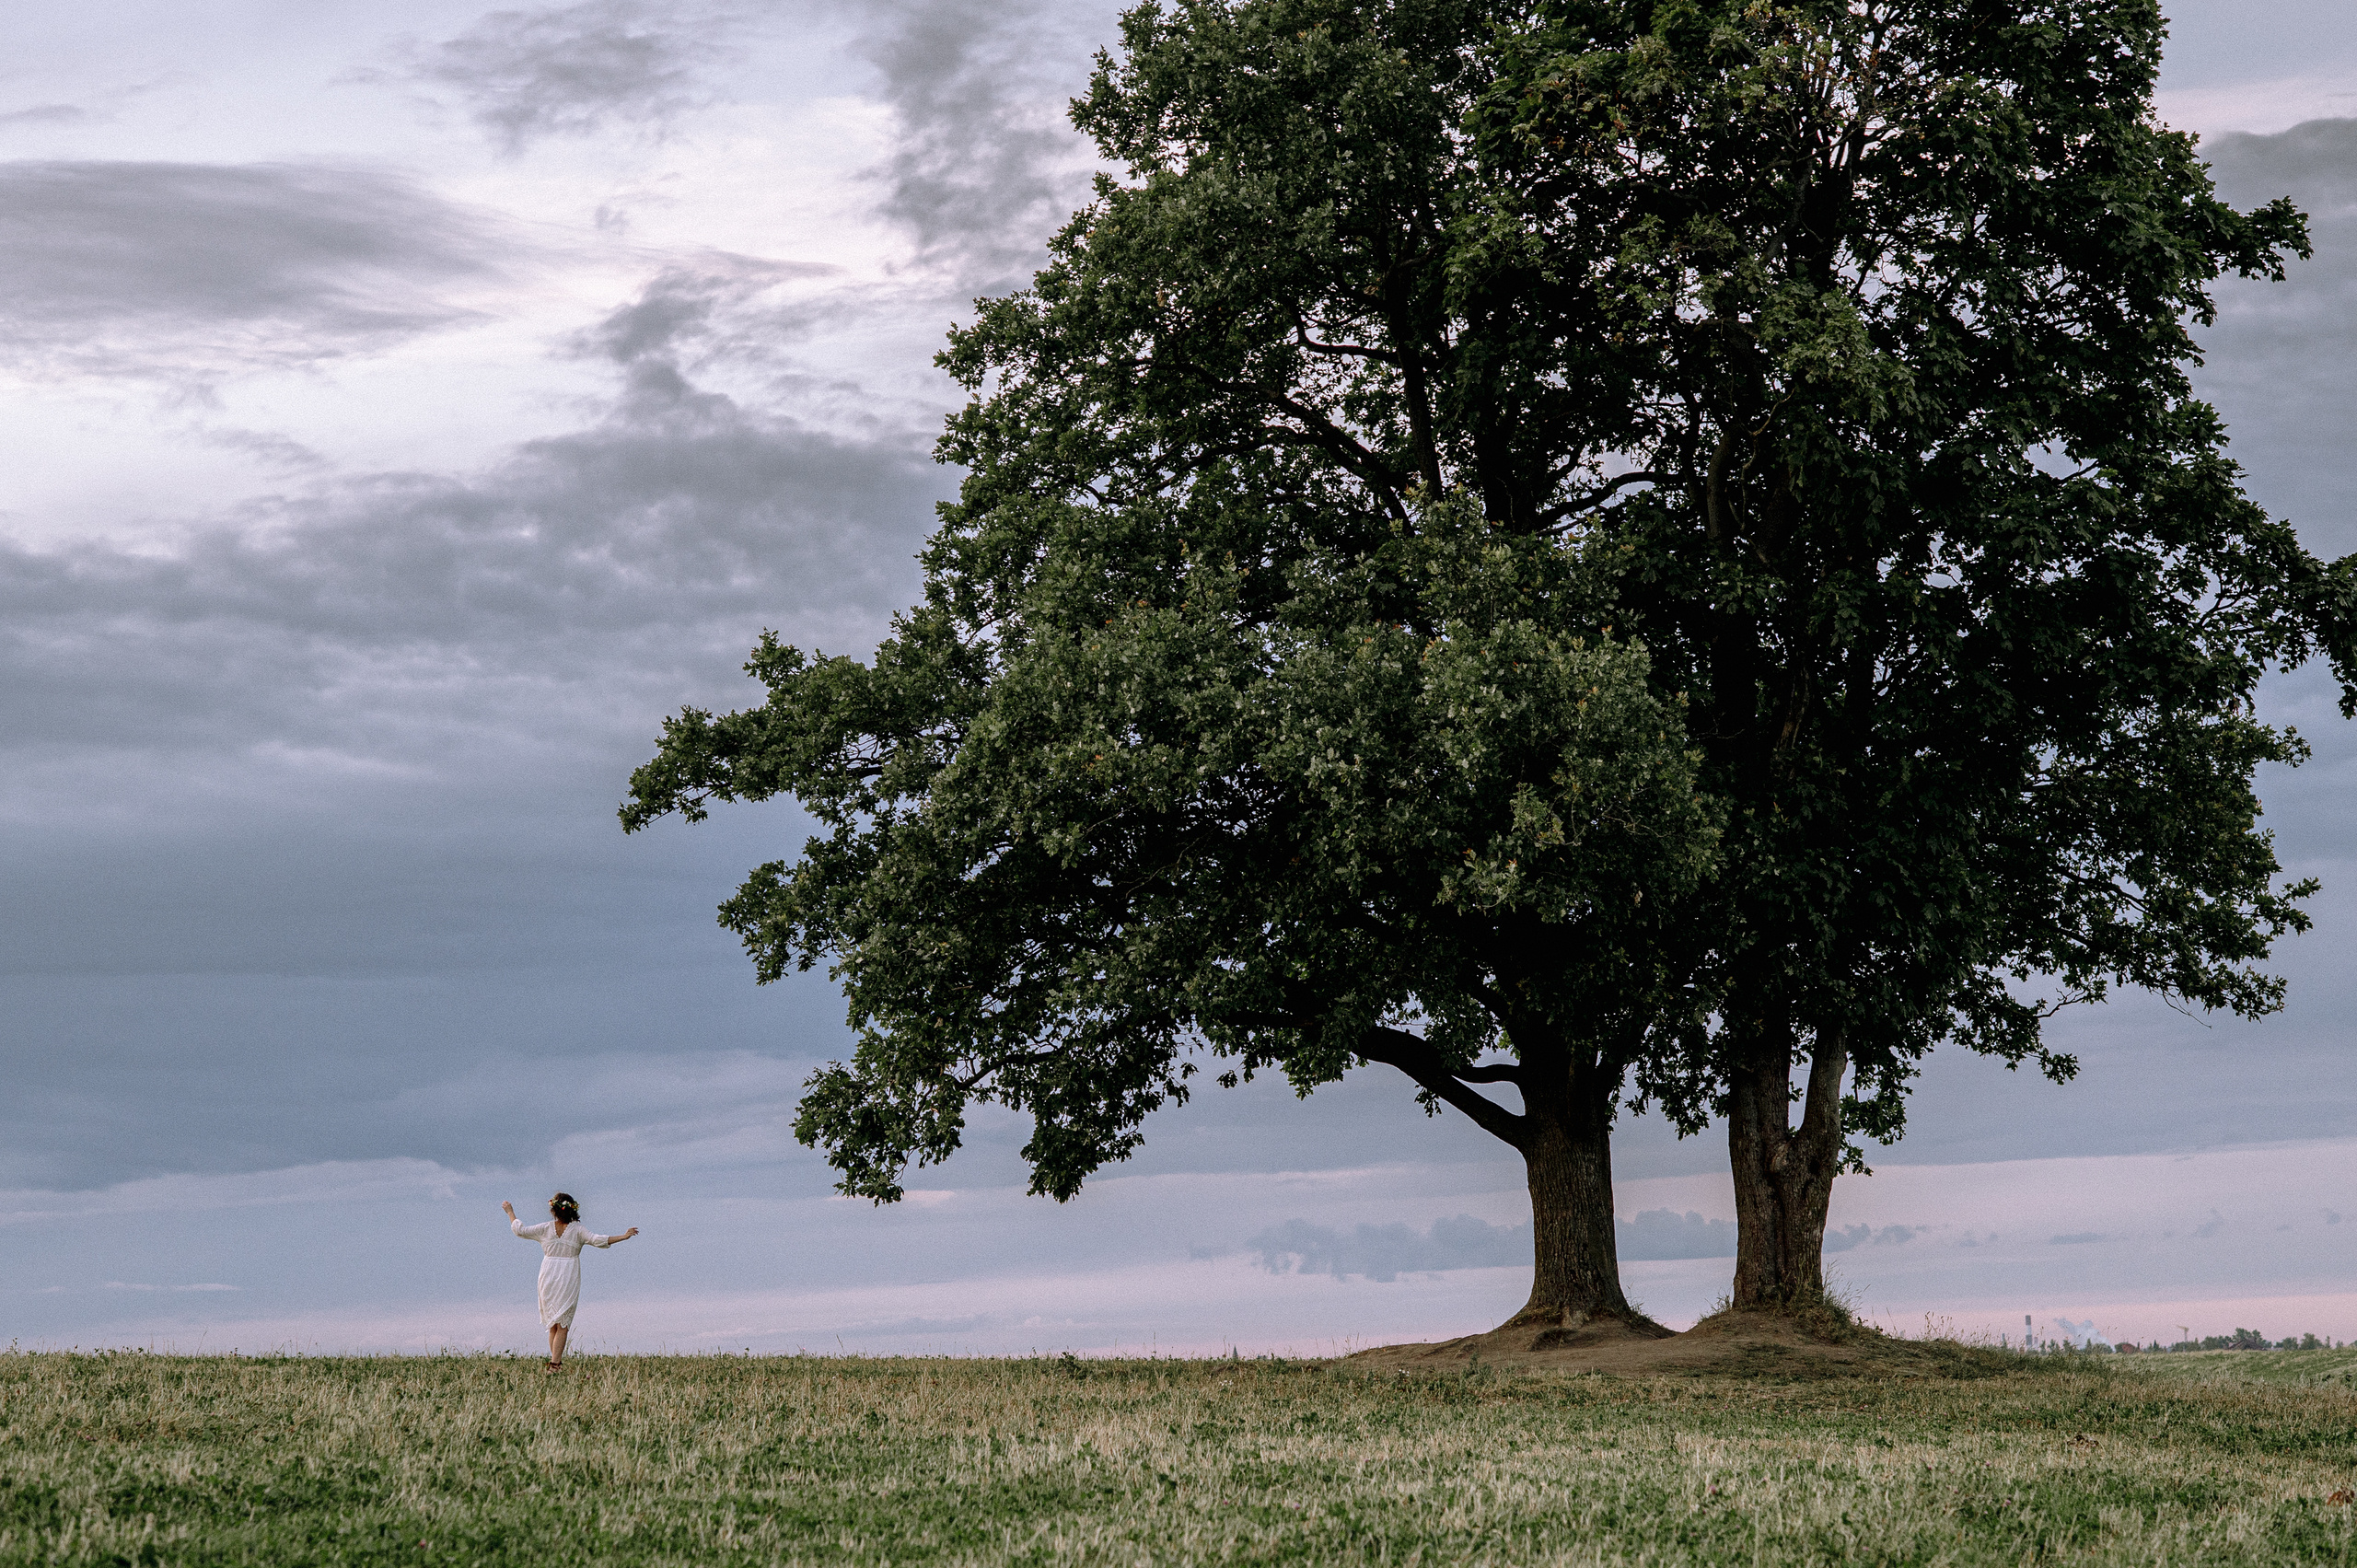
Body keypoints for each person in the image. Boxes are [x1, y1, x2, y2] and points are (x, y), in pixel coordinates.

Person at [502, 1192, 637, 1369]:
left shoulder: (547, 1228)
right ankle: (555, 1365)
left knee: (555, 1325)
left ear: (554, 1210)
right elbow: (597, 1240)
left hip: (548, 1274)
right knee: (561, 1324)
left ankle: (554, 1364)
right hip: (567, 1275)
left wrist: (510, 1212)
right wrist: (623, 1236)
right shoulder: (577, 1229)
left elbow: (520, 1230)